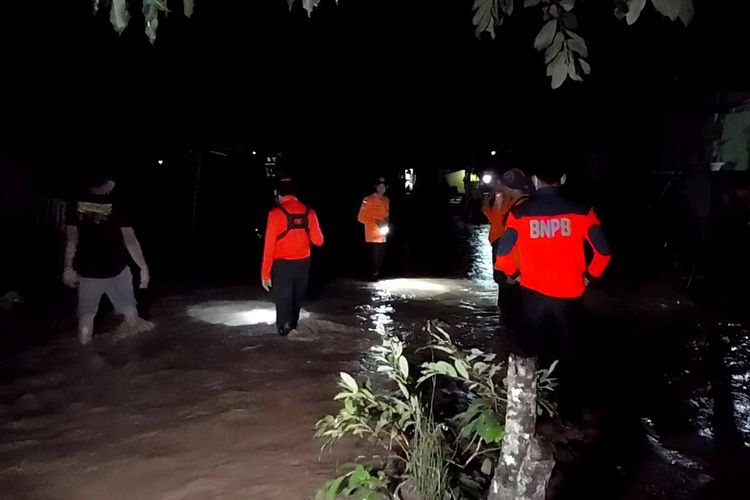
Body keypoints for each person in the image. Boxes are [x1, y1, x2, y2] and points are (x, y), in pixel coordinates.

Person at [493, 165, 611, 413]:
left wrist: (517, 275)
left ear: (535, 179)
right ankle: (569, 412)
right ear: (564, 178)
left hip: (533, 296)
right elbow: (603, 254)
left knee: (532, 353)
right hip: (570, 297)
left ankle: (536, 412)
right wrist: (589, 277)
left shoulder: (521, 213)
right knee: (569, 355)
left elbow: (502, 258)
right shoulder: (582, 211)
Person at [63, 174, 151, 345]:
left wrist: (67, 268)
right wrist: (143, 267)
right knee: (130, 312)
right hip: (116, 269)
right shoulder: (118, 205)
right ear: (109, 183)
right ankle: (135, 359)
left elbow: (72, 240)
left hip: (87, 271)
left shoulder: (74, 204)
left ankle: (83, 355)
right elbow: (130, 240)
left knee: (86, 316)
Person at [261, 177, 324, 336]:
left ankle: (284, 333)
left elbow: (269, 246)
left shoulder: (275, 213)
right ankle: (293, 328)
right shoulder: (309, 212)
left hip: (282, 265)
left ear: (279, 195)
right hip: (303, 264)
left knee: (283, 302)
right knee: (296, 300)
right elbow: (319, 241)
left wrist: (265, 273)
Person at [482, 168, 532, 334]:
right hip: (505, 251)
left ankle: (509, 330)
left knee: (508, 293)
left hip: (508, 252)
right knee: (507, 293)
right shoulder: (513, 203)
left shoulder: (517, 207)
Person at [357, 177, 390, 281]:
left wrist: (386, 221)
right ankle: (371, 277)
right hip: (372, 235)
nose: (382, 189)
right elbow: (360, 217)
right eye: (380, 186)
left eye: (384, 187)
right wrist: (376, 221)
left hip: (383, 234)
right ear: (376, 187)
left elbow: (387, 214)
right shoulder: (367, 199)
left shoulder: (386, 200)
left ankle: (376, 276)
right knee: (374, 258)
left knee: (380, 258)